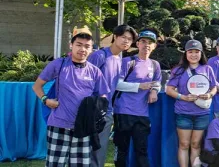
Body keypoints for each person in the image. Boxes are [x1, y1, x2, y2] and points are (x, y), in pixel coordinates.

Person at [32, 33, 110, 167]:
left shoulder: (95, 71)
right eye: (79, 45)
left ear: (92, 49)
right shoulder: (59, 64)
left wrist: (96, 111)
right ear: (71, 45)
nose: (83, 49)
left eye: (87, 46)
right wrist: (46, 100)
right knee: (55, 164)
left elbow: (103, 96)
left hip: (83, 128)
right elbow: (37, 86)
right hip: (59, 124)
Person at [87, 25, 136, 166]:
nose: (126, 41)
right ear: (115, 36)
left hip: (107, 111)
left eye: (130, 39)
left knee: (99, 149)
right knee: (87, 149)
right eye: (124, 37)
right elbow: (86, 80)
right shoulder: (99, 56)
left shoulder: (119, 59)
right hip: (92, 108)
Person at [111, 31, 161, 167]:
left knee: (142, 150)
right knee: (121, 149)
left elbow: (157, 82)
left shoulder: (155, 65)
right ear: (137, 44)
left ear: (154, 46)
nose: (146, 45)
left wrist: (155, 91)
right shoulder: (128, 62)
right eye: (143, 41)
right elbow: (117, 84)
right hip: (123, 111)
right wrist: (140, 86)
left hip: (142, 114)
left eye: (150, 42)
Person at [166, 40, 218, 167]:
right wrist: (183, 97)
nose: (193, 55)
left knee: (196, 144)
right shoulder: (178, 70)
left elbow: (214, 87)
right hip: (183, 112)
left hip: (202, 113)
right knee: (184, 144)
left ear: (201, 53)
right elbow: (169, 90)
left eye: (197, 52)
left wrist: (209, 94)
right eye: (190, 52)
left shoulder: (207, 68)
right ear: (185, 53)